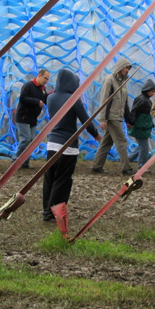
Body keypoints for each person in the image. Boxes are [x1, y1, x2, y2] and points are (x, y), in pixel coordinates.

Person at [43, 69, 101, 222]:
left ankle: (46, 210)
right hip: (67, 146)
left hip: (52, 144)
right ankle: (53, 212)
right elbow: (85, 120)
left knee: (50, 178)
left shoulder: (50, 98)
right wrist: (96, 134)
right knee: (63, 180)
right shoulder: (73, 100)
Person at [91, 57, 134, 175]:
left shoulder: (123, 83)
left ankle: (96, 166)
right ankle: (126, 167)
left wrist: (128, 119)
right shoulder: (109, 80)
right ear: (120, 67)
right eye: (126, 67)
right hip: (111, 117)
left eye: (128, 68)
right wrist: (103, 119)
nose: (127, 70)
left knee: (106, 142)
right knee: (121, 141)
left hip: (117, 116)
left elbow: (125, 103)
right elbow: (105, 100)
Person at [14, 69, 49, 169]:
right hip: (23, 117)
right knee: (26, 139)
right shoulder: (28, 86)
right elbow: (23, 99)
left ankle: (25, 163)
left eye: (47, 79)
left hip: (33, 119)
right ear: (39, 75)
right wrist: (37, 102)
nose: (46, 80)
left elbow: (46, 99)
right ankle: (15, 159)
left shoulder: (43, 89)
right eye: (45, 78)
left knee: (32, 141)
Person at [127, 79, 155, 170]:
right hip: (140, 127)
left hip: (143, 127)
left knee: (141, 145)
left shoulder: (144, 99)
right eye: (152, 91)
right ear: (148, 90)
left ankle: (128, 158)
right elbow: (134, 111)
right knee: (144, 147)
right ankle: (142, 165)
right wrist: (131, 122)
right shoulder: (143, 100)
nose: (153, 93)